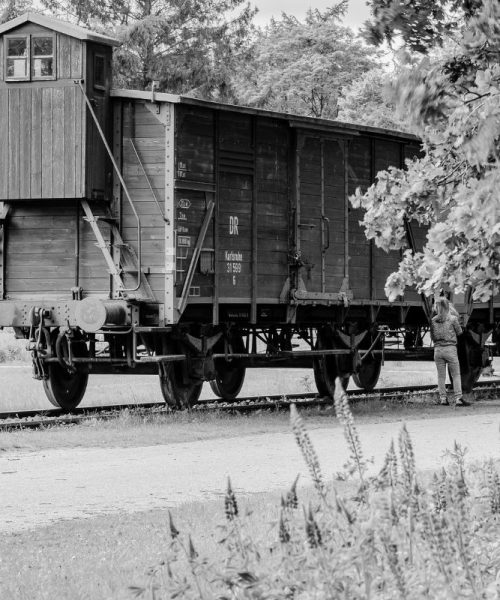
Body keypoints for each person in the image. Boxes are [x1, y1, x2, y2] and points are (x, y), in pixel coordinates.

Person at [430, 297, 470, 406]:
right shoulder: (453, 319)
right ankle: (458, 398)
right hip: (450, 349)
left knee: (441, 376)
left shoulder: (433, 320)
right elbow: (460, 332)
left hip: (437, 350)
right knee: (456, 375)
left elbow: (432, 336)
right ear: (448, 306)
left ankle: (443, 399)